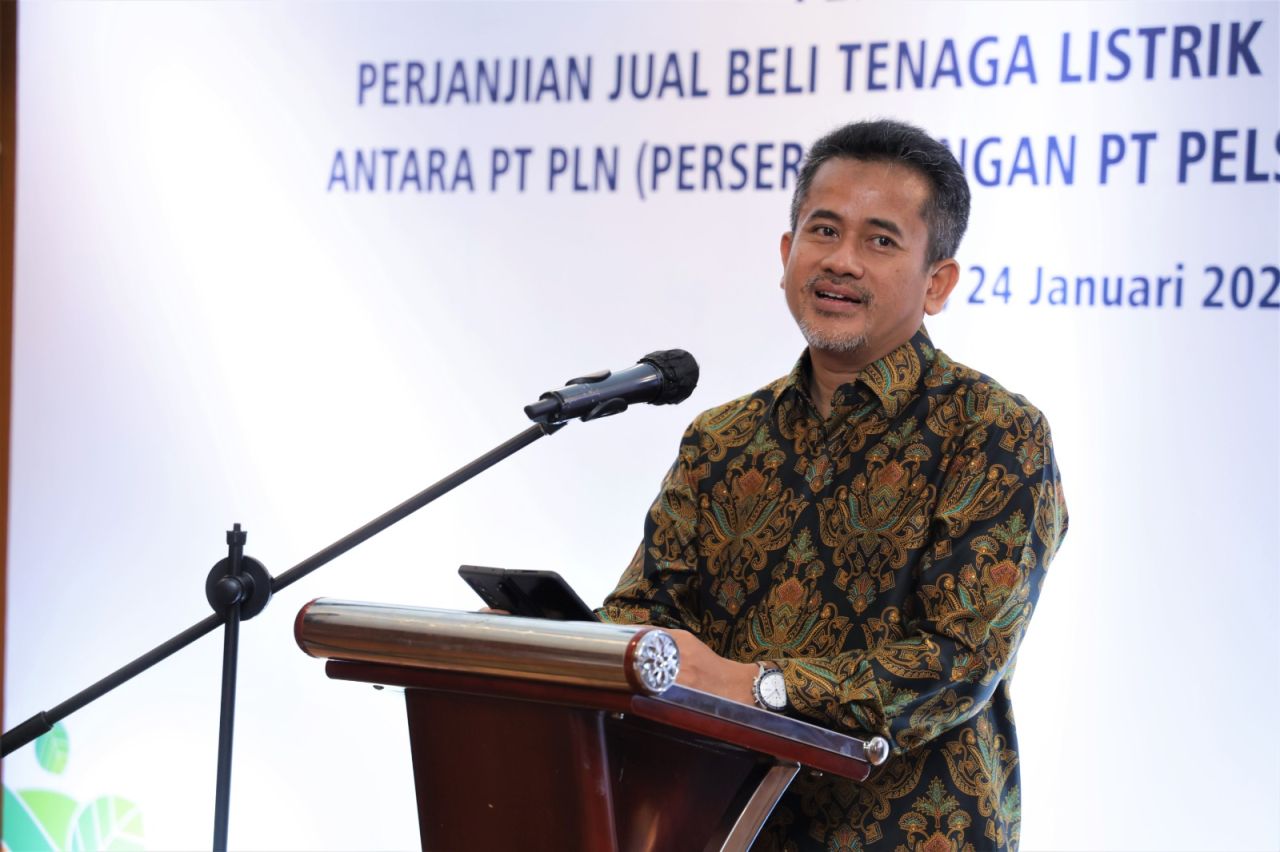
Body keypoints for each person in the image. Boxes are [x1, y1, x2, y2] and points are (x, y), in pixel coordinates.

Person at [599, 119, 1068, 851]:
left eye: (880, 241)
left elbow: (956, 661)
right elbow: (645, 614)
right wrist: (546, 644)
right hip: (722, 829)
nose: (841, 261)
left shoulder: (994, 434)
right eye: (823, 231)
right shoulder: (722, 438)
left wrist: (757, 685)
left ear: (937, 282)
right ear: (787, 253)